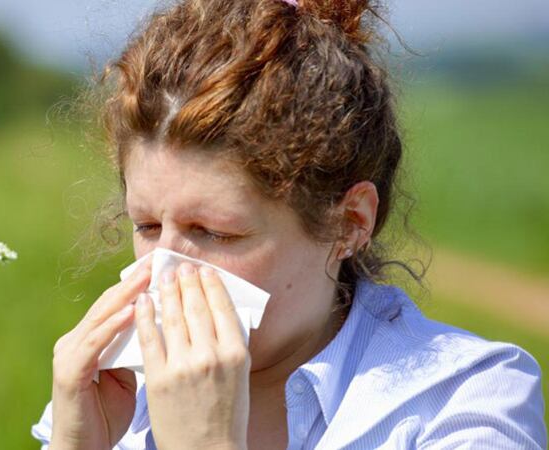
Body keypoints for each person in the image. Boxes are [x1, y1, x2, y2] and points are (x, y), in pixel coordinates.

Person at [32, 0, 547, 448]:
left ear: (349, 223)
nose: (165, 269)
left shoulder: (464, 402)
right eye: (146, 226)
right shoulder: (116, 399)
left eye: (215, 232)